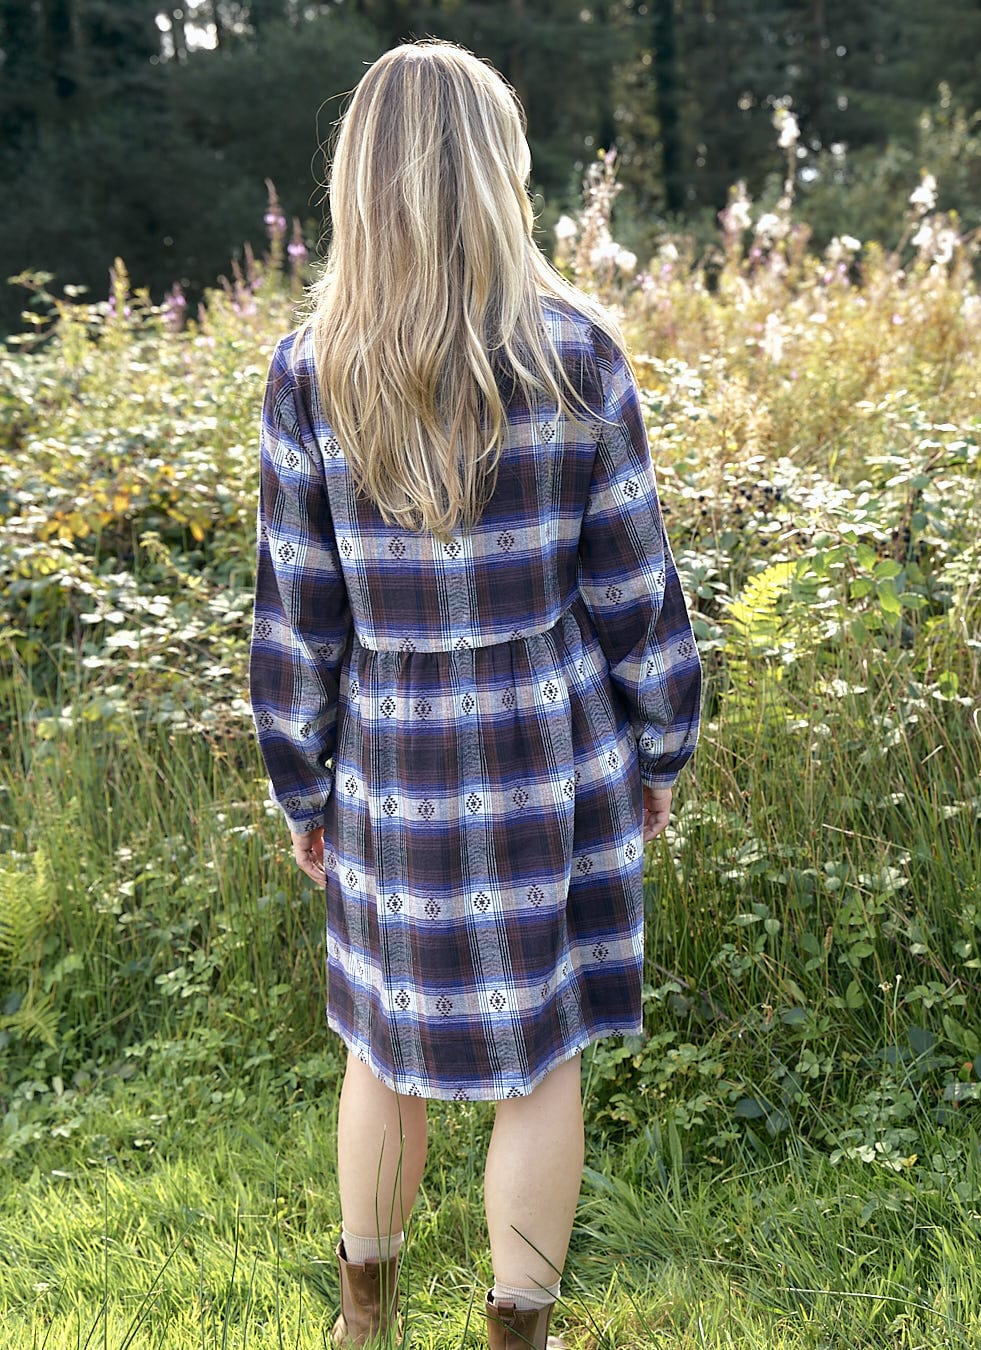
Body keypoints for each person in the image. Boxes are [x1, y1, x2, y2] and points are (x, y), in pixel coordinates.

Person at [247, 37, 702, 1350]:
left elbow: (297, 615)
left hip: (389, 755)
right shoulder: (577, 356)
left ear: (357, 184)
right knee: (540, 1056)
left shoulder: (310, 371)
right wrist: (658, 743)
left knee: (385, 1048)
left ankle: (363, 1320)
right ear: (500, 173)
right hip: (544, 752)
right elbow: (635, 584)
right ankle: (518, 1335)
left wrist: (301, 779)